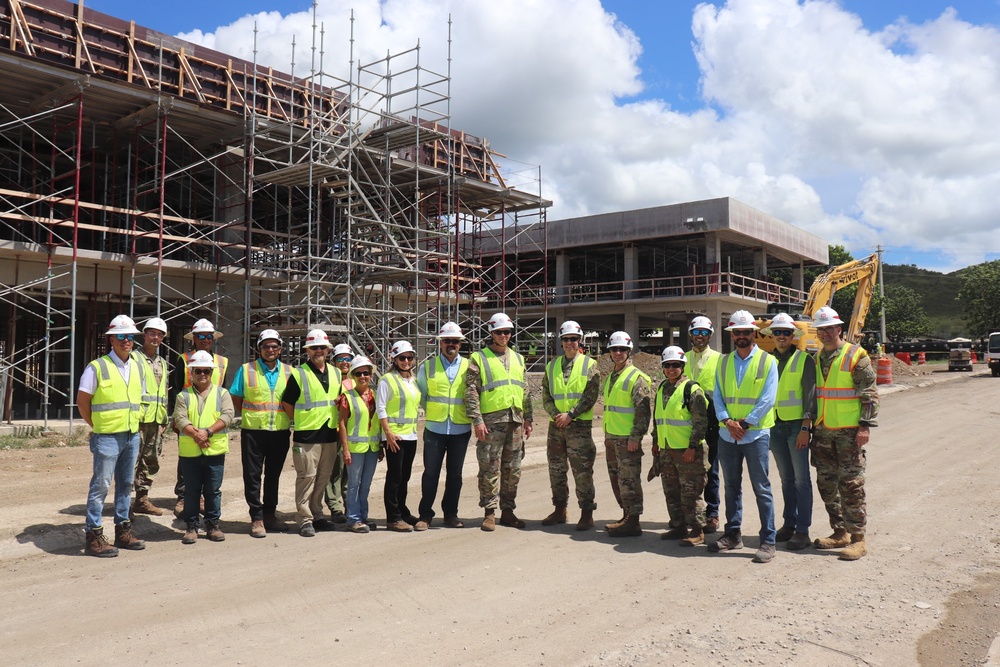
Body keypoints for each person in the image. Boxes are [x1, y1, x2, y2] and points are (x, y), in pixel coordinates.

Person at [810, 306, 879, 561]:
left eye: (830, 328)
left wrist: (864, 426)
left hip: (849, 432)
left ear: (839, 329)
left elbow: (869, 393)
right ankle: (840, 532)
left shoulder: (855, 355)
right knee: (827, 484)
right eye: (821, 329)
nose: (826, 333)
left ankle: (858, 538)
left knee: (851, 486)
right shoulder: (817, 358)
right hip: (823, 432)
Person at [709, 310, 778, 563]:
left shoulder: (768, 361)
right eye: (737, 332)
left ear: (754, 333)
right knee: (732, 487)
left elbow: (768, 398)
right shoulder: (724, 362)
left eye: (745, 331)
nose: (741, 336)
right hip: (728, 434)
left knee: (761, 488)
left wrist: (745, 424)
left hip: (755, 435)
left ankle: (768, 540)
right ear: (732, 334)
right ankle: (732, 534)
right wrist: (727, 421)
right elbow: (717, 395)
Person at [77, 315, 147, 557]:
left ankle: (123, 531)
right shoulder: (97, 367)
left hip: (131, 435)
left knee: (126, 484)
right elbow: (83, 402)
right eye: (121, 336)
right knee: (101, 486)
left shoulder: (138, 367)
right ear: (111, 339)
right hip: (106, 436)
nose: (126, 340)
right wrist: (97, 426)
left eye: (129, 336)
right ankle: (94, 536)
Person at [465, 312, 534, 532]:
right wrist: (477, 420)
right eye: (499, 332)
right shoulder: (479, 358)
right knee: (489, 468)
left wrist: (529, 418)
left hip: (515, 421)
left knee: (513, 469)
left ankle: (508, 511)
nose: (503, 335)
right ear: (491, 333)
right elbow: (471, 392)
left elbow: (525, 390)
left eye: (507, 332)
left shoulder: (518, 358)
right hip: (491, 423)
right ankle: (490, 512)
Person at [280, 329, 342, 537]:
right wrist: (299, 420)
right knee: (306, 477)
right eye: (314, 347)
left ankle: (317, 514)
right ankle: (305, 518)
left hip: (329, 434)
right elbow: (287, 402)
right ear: (308, 350)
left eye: (322, 347)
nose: (318, 351)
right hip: (307, 435)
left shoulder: (336, 372)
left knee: (323, 477)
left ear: (328, 350)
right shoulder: (299, 373)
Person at [230, 329, 292, 538]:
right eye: (266, 346)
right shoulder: (247, 370)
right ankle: (256, 517)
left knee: (273, 476)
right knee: (253, 476)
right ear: (259, 349)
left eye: (274, 346)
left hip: (280, 432)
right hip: (253, 432)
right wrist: (251, 415)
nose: (270, 350)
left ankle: (270, 515)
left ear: (280, 349)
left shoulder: (289, 372)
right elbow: (236, 397)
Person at [541, 320, 600, 530]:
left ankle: (586, 512)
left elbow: (590, 395)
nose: (569, 343)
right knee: (556, 470)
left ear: (579, 340)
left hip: (579, 427)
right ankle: (560, 509)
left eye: (573, 339)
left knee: (582, 471)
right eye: (565, 339)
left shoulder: (589, 365)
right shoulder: (552, 366)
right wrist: (557, 415)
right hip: (556, 426)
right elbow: (546, 396)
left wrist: (571, 415)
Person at [766, 313, 815, 551]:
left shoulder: (804, 359)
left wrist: (806, 427)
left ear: (793, 336)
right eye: (777, 332)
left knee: (801, 480)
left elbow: (809, 395)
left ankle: (802, 530)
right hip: (775, 426)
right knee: (786, 479)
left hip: (797, 426)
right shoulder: (767, 361)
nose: (782, 336)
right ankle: (789, 524)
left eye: (786, 332)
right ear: (772, 336)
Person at [170, 318, 229, 517]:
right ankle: (183, 496)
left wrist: (210, 429)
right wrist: (178, 420)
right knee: (187, 460)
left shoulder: (221, 362)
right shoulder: (184, 359)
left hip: (212, 422)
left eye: (209, 336)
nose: (205, 340)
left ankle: (204, 500)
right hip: (188, 417)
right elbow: (176, 388)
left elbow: (223, 392)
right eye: (201, 336)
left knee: (210, 464)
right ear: (193, 339)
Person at [174, 350, 235, 544]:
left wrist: (206, 432)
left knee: (212, 490)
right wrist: (197, 435)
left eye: (206, 371)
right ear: (191, 373)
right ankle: (191, 526)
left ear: (211, 373)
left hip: (214, 449)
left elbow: (227, 415)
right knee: (191, 490)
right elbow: (180, 418)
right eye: (198, 370)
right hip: (190, 451)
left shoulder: (222, 393)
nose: (202, 374)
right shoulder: (183, 396)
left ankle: (212, 524)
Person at [651, 346, 709, 546]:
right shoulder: (661, 388)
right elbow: (658, 418)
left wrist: (692, 447)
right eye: (667, 365)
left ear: (682, 366)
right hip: (667, 449)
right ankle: (678, 526)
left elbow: (700, 421)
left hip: (687, 451)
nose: (671, 369)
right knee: (671, 490)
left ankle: (698, 530)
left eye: (675, 365)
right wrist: (656, 442)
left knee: (691, 493)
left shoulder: (691, 389)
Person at [415, 322, 472, 530]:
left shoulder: (469, 366)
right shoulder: (428, 366)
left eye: (455, 341)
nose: (451, 344)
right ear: (441, 343)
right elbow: (421, 395)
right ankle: (425, 515)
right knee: (431, 473)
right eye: (447, 341)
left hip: (460, 428)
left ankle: (451, 514)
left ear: (460, 344)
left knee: (455, 474)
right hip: (435, 428)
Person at [601, 330, 651, 538]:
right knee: (617, 480)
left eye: (622, 349)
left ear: (629, 351)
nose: (618, 353)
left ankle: (633, 521)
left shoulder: (637, 378)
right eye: (614, 349)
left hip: (627, 439)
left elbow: (643, 412)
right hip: (612, 437)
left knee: (630, 481)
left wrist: (635, 438)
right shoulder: (613, 376)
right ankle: (626, 516)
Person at [378, 340, 422, 532]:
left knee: (405, 476)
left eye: (409, 357)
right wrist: (387, 433)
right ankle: (393, 517)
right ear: (394, 359)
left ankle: (403, 511)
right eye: (402, 358)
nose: (406, 361)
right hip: (395, 436)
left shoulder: (413, 380)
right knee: (394, 477)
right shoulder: (387, 380)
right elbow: (380, 408)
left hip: (411, 435)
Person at [684, 315, 722, 534]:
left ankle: (712, 514)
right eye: (696, 332)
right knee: (686, 471)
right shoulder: (682, 358)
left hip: (711, 422)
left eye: (704, 333)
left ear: (710, 335)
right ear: (691, 334)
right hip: (685, 422)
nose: (700, 336)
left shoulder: (719, 359)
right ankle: (688, 515)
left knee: (711, 470)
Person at [130, 317, 169, 516]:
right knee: (131, 461)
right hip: (137, 420)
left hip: (155, 420)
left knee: (150, 460)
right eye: (152, 333)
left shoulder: (162, 362)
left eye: (159, 334)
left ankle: (142, 499)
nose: (155, 337)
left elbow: (163, 393)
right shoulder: (133, 359)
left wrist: (164, 419)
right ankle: (125, 504)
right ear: (144, 335)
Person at [339, 356, 382, 533]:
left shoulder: (375, 396)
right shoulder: (346, 397)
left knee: (366, 484)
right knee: (354, 484)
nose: (363, 376)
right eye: (358, 373)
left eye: (366, 373)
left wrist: (379, 446)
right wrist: (345, 449)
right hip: (355, 449)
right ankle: (353, 518)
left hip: (372, 447)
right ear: (353, 376)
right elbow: (341, 423)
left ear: (371, 374)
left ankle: (363, 516)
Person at [324, 342, 355, 523]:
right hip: (334, 429)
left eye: (348, 359)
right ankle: (335, 506)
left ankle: (348, 503)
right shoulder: (330, 379)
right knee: (334, 469)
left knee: (348, 470)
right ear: (334, 361)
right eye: (341, 359)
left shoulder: (355, 379)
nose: (345, 362)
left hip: (351, 430)